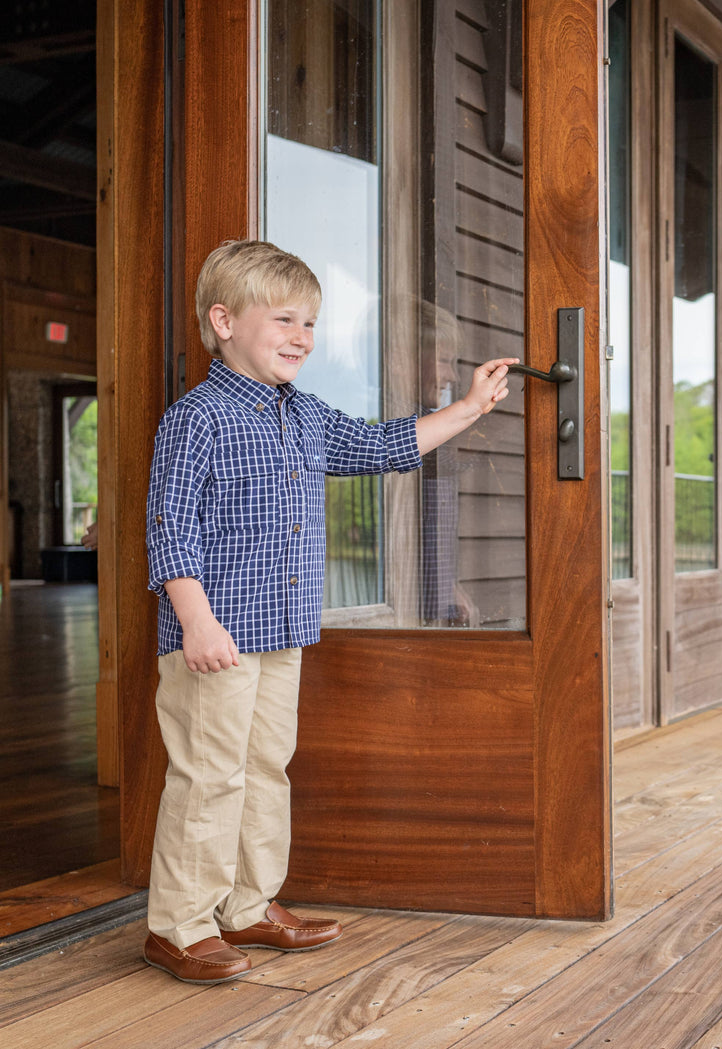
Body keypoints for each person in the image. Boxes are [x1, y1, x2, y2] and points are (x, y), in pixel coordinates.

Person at [142, 240, 517, 984]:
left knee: (265, 767)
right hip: (213, 637)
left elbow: (384, 444)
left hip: (281, 632)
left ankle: (247, 904)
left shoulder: (307, 416)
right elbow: (169, 526)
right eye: (284, 319)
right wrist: (196, 619)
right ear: (223, 320)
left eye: (310, 324)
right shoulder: (198, 419)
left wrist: (470, 406)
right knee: (208, 773)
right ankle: (179, 925)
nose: (301, 338)